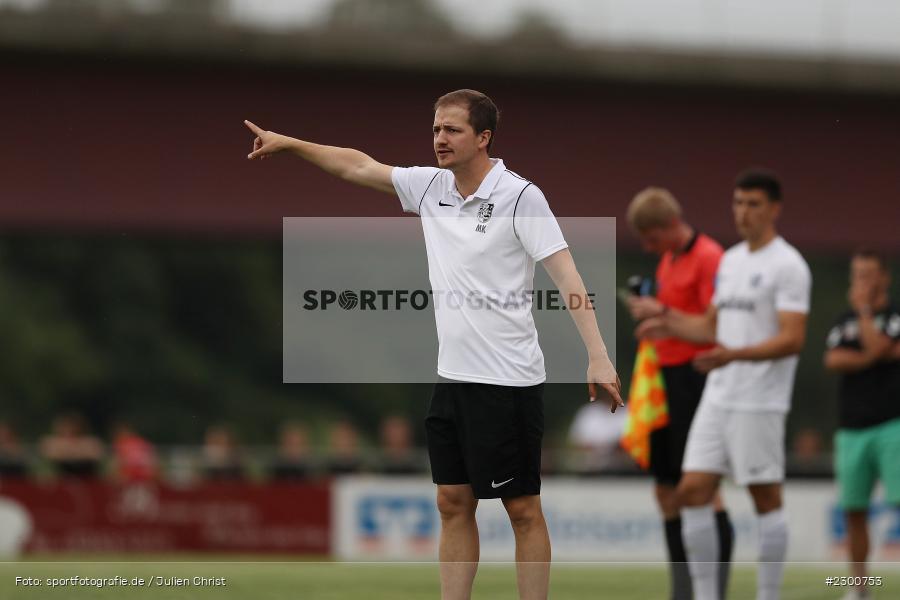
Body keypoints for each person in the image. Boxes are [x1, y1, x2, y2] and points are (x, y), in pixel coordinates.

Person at [245, 88, 622, 600]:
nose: (439, 139)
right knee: (451, 501)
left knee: (522, 509)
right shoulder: (429, 187)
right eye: (436, 129)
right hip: (453, 378)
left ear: (483, 138)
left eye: (452, 130)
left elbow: (568, 277)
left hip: (508, 381)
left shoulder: (521, 196)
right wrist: (290, 143)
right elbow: (359, 167)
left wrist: (598, 356)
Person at [637, 168, 811, 600]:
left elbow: (792, 339)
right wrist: (667, 323)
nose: (743, 212)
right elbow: (710, 327)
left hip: (759, 400)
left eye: (753, 204)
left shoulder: (788, 265)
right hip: (720, 395)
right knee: (692, 491)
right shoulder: (732, 261)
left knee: (765, 498)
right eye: (738, 203)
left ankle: (768, 595)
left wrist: (732, 355)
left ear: (774, 209)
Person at [625, 187, 734, 600]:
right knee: (666, 489)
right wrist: (654, 324)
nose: (649, 247)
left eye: (652, 238)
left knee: (701, 487)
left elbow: (713, 325)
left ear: (671, 225)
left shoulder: (709, 257)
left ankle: (714, 588)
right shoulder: (669, 259)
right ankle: (683, 590)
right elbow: (675, 324)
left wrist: (663, 316)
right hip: (663, 381)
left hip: (696, 378)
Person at [823, 249, 900, 600]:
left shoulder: (894, 315)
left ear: (884, 277)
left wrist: (867, 313)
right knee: (854, 510)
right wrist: (873, 355)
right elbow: (835, 359)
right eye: (856, 274)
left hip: (893, 423)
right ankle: (859, 588)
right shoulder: (842, 320)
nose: (860, 282)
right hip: (851, 427)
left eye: (868, 274)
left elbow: (882, 346)